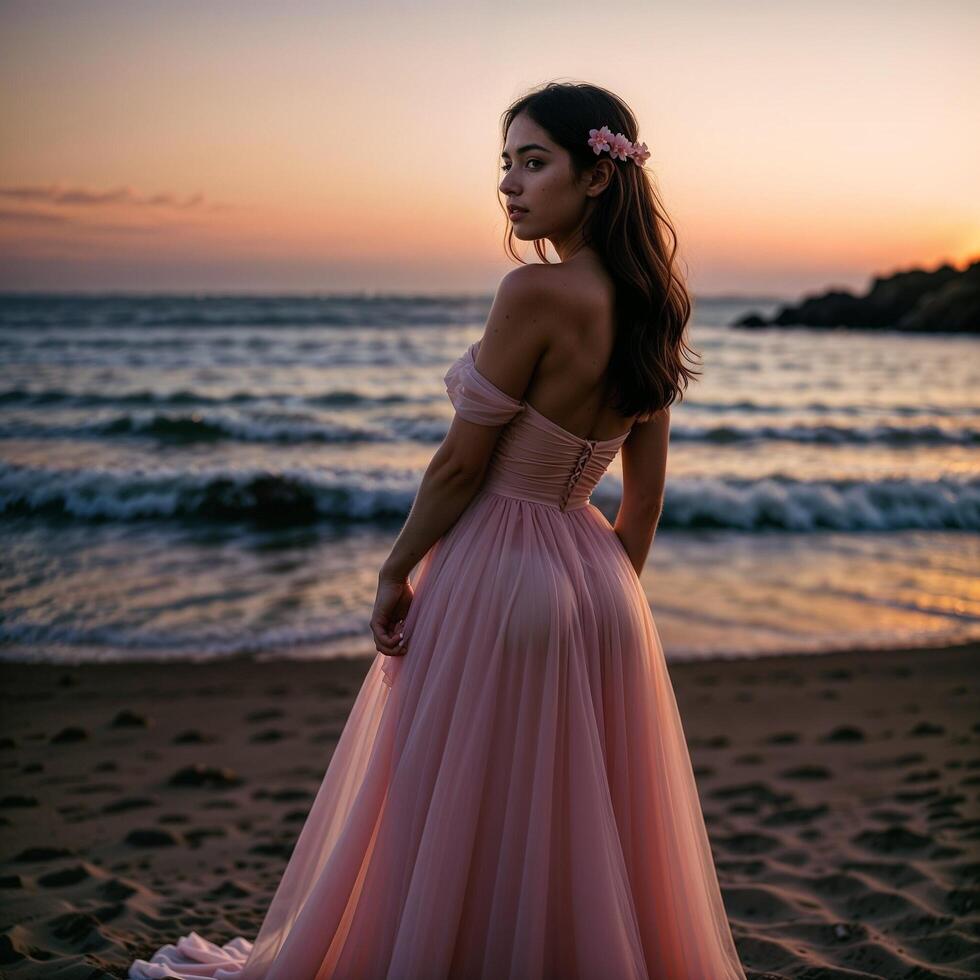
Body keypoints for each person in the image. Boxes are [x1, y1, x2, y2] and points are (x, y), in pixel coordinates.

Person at [129, 80, 746, 980]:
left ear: (599, 177)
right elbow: (642, 502)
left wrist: (396, 568)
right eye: (505, 164)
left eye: (535, 162)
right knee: (574, 819)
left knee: (454, 804)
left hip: (498, 568)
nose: (510, 185)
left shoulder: (534, 292)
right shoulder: (656, 305)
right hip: (603, 584)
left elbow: (461, 467)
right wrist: (602, 601)